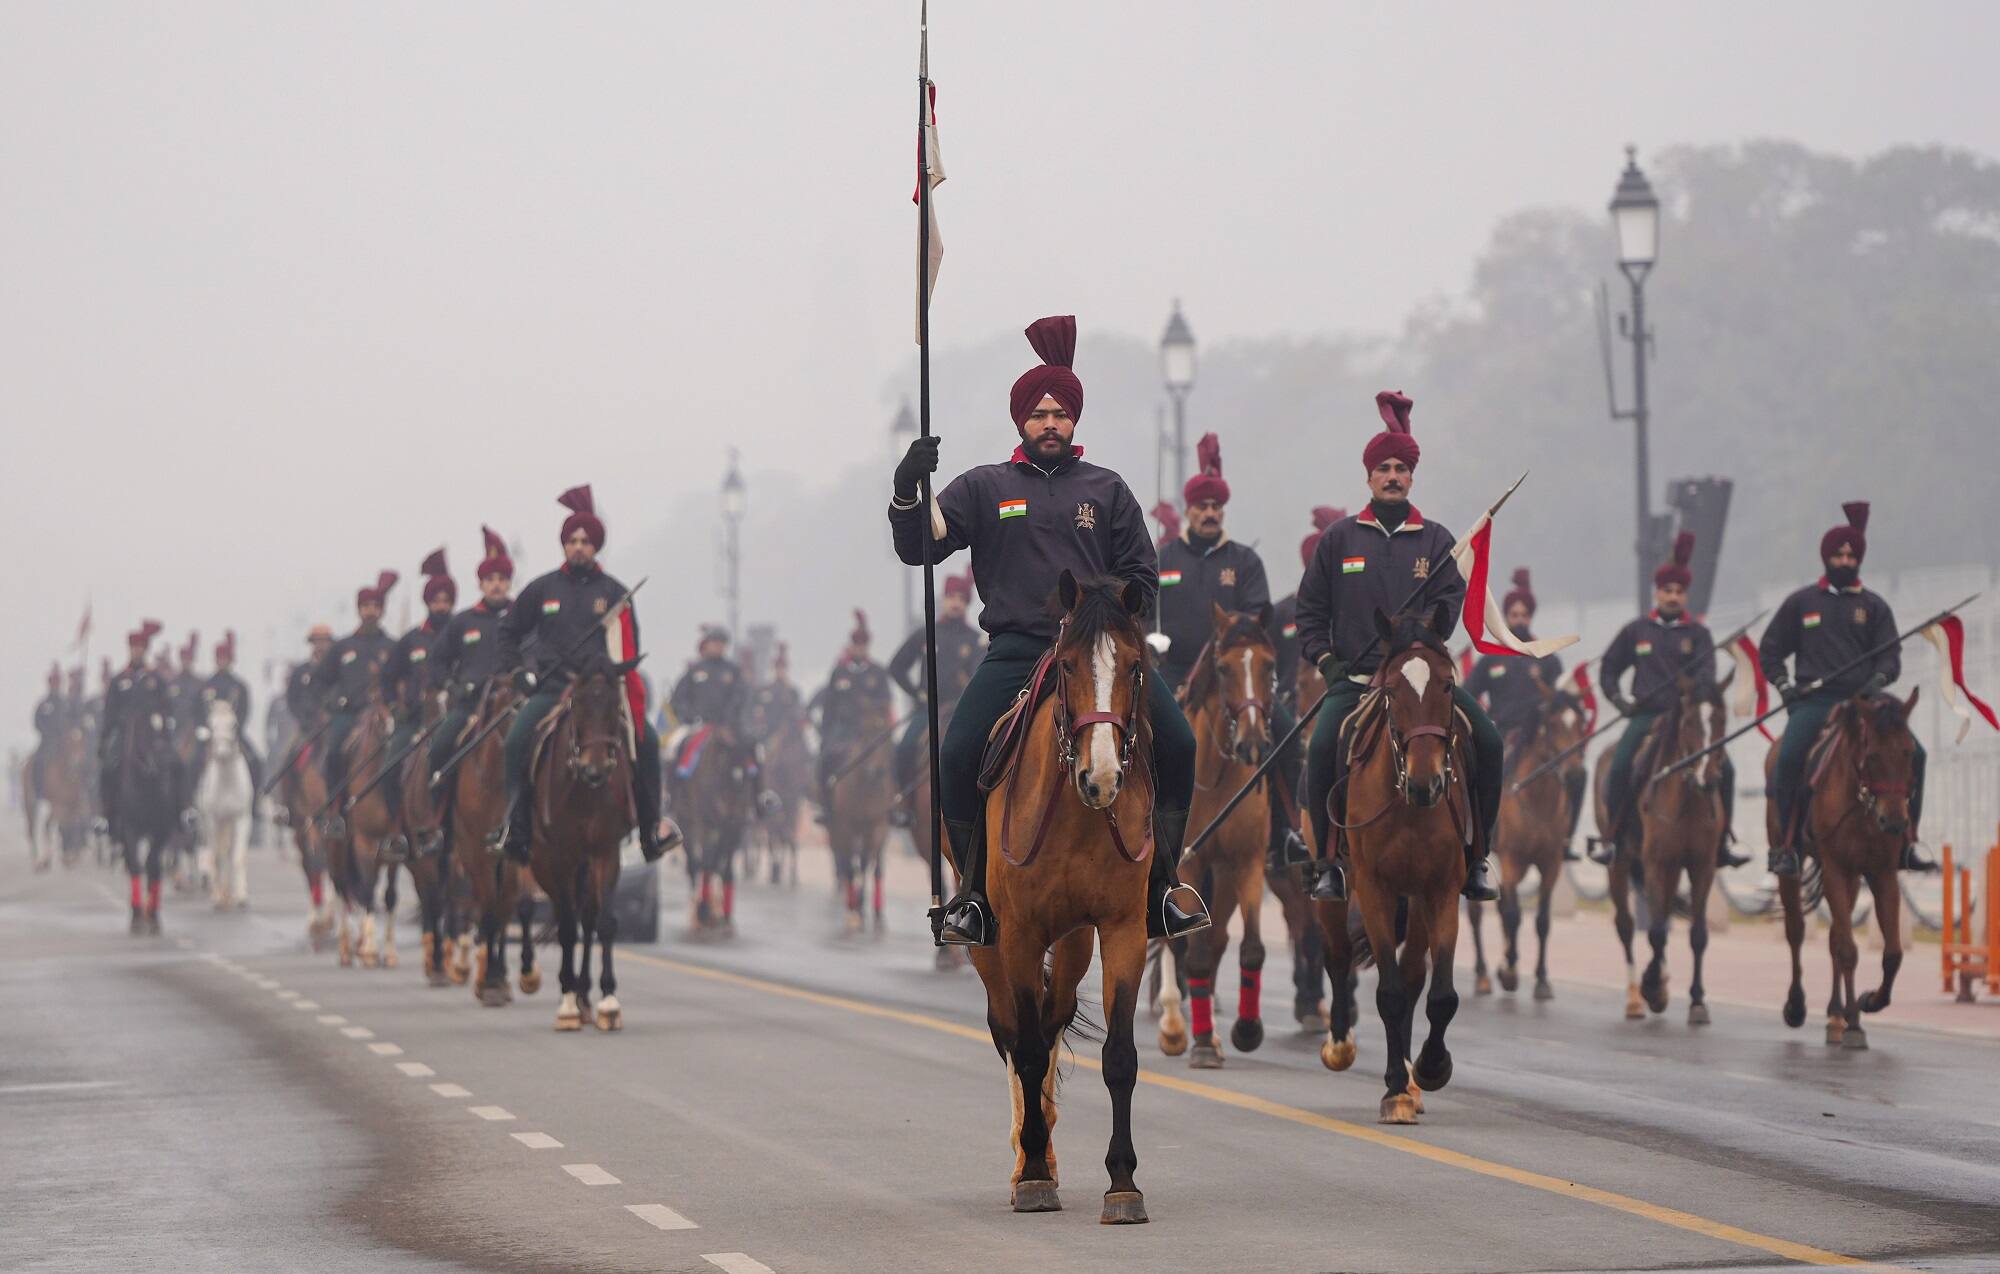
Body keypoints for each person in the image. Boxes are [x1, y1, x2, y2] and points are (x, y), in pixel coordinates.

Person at [888, 314, 1209, 945]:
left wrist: (1101, 609)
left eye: (1060, 414)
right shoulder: (985, 487)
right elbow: (920, 549)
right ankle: (974, 894)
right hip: (1015, 649)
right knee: (954, 755)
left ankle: (1161, 885)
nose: (1050, 424)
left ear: (1074, 422)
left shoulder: (1108, 491)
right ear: (1021, 423)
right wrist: (907, 488)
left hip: (1096, 655)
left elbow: (1142, 577)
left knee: (1179, 743)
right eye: (1039, 415)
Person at [1297, 391, 1502, 903]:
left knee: (1491, 742)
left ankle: (1477, 858)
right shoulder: (1340, 540)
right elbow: (1310, 615)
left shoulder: (1436, 543)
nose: (1392, 476)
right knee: (1323, 747)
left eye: (1401, 469)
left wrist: (1420, 636)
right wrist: (1329, 663)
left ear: (1412, 477)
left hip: (1420, 681)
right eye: (1383, 468)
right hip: (1359, 680)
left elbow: (1450, 606)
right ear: (1368, 477)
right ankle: (1328, 864)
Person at [1155, 432, 1307, 871]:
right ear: (1189, 511)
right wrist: (1151, 640)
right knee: (1140, 737)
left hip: (1235, 679)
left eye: (1215, 508)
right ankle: (1141, 835)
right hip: (1175, 673)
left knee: (1285, 731)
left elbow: (1261, 618)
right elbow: (1142, 612)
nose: (1208, 514)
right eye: (1201, 507)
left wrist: (1234, 631)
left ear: (1223, 512)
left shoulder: (1244, 563)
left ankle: (1286, 832)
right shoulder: (1164, 558)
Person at [495, 485, 670, 863]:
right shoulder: (542, 589)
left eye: (586, 541)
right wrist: (518, 673)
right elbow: (508, 633)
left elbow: (629, 649)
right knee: (515, 743)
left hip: (598, 696)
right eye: (572, 540)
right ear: (563, 544)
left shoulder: (616, 594)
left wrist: (604, 674)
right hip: (551, 690)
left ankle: (650, 831)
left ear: (596, 547)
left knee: (650, 742)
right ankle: (517, 827)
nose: (578, 547)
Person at [1759, 501, 1929, 877]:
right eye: (1838, 553)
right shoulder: (1802, 603)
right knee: (1786, 761)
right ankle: (1786, 847)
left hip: (1867, 701)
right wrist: (1784, 684)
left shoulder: (1874, 606)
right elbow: (1770, 650)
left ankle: (1908, 841)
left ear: (1860, 559)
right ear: (1825, 557)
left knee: (1917, 753)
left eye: (1852, 554)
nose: (1845, 559)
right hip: (1815, 701)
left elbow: (1890, 660)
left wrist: (1877, 682)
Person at [1593, 533, 1748, 869]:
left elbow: (1708, 674)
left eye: (1679, 592)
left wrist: (1693, 688)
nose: (1673, 597)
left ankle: (1722, 842)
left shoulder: (1698, 634)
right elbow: (1608, 669)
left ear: (1685, 596)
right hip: (1647, 715)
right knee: (1619, 767)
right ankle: (1614, 839)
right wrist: (1620, 701)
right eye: (1668, 591)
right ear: (1657, 592)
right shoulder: (1636, 630)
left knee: (1727, 771)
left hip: (1687, 719)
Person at [1466, 569, 1582, 860]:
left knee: (1578, 774)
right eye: (1514, 614)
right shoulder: (1490, 658)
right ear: (1506, 616)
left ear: (1531, 616)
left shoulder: (1548, 657)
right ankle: (1481, 836)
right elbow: (1467, 693)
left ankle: (1566, 838)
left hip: (1542, 736)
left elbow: (1562, 699)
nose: (1519, 619)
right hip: (1503, 733)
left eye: (1524, 614)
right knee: (1481, 774)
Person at [886, 572, 981, 828]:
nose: (955, 603)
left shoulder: (975, 640)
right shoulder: (927, 632)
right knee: (904, 747)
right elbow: (896, 666)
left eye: (961, 598)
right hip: (927, 710)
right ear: (944, 598)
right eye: (951, 597)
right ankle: (904, 805)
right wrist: (917, 693)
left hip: (960, 712)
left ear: (967, 603)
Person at [314, 573, 400, 835]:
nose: (370, 612)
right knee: (334, 752)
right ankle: (335, 811)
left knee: (404, 755)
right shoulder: (342, 647)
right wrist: (334, 702)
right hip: (349, 715)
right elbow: (321, 682)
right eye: (366, 607)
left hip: (385, 714)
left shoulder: (393, 646)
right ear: (359, 610)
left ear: (381, 610)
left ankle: (400, 817)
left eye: (375, 607)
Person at [375, 550, 454, 819]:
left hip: (455, 713)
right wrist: (395, 708)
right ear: (427, 602)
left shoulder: (461, 631)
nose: (441, 605)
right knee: (388, 768)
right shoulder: (411, 640)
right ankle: (397, 825)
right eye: (436, 600)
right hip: (414, 718)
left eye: (446, 600)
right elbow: (387, 678)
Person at [809, 612, 895, 823]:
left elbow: (885, 702)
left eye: (863, 644)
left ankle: (895, 806)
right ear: (851, 645)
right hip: (843, 732)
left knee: (894, 759)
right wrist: (825, 734)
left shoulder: (877, 672)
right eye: (856, 644)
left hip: (872, 732)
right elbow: (829, 707)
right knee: (825, 760)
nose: (859, 648)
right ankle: (826, 806)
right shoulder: (840, 672)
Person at [195, 631, 266, 836]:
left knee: (255, 761)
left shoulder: (239, 686)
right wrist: (205, 729)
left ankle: (254, 805)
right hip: (210, 736)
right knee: (191, 763)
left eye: (225, 658)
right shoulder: (206, 686)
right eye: (219, 658)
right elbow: (196, 710)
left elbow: (245, 710)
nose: (222, 662)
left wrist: (234, 729)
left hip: (233, 736)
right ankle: (189, 807)